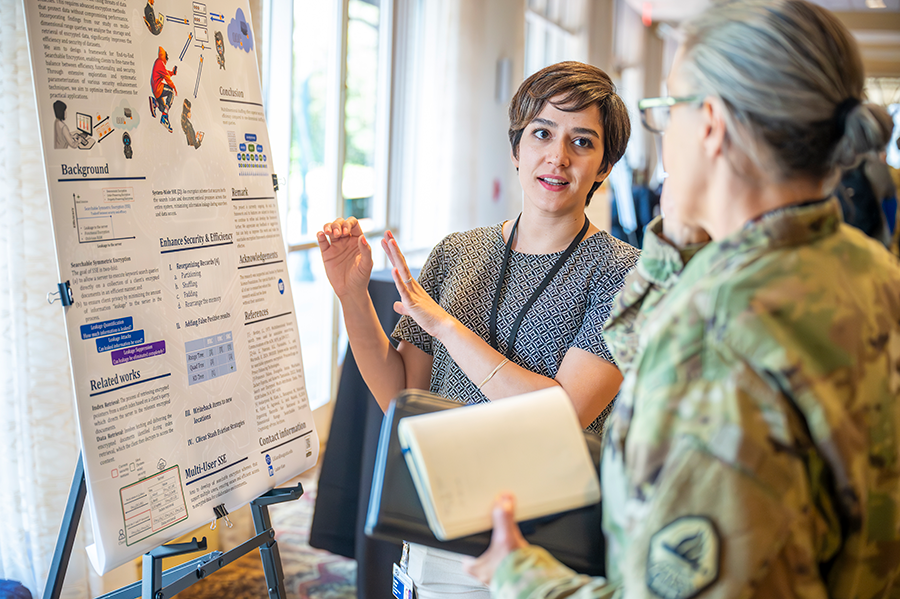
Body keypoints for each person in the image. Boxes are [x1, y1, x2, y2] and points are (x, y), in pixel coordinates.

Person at [466, 1, 900, 597]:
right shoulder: (872, 269)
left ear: (712, 124)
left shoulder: (711, 336)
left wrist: (519, 574)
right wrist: (678, 237)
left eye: (669, 107)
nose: (664, 129)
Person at [316, 61, 639, 599]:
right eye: (541, 133)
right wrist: (352, 296)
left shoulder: (622, 274)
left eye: (581, 142)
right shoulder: (458, 253)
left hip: (543, 544)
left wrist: (446, 328)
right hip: (436, 518)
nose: (557, 157)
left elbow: (562, 415)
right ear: (516, 148)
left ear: (603, 165)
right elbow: (402, 393)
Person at [149, 46, 177, 133]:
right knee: (171, 92)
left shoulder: (158, 63)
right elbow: (166, 77)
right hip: (158, 88)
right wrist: (174, 87)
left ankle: (155, 103)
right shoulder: (160, 62)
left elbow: (165, 72)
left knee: (163, 108)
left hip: (155, 89)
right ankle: (164, 117)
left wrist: (172, 73)